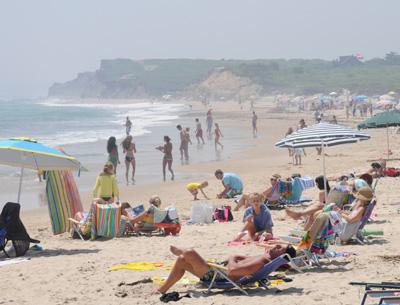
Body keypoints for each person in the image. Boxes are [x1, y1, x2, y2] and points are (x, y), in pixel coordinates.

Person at [155, 244, 297, 295]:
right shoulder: (264, 258)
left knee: (189, 253)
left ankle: (178, 249)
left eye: (279, 249)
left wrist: (231, 257)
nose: (275, 247)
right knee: (181, 261)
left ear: (282, 257)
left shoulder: (262, 262)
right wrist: (236, 256)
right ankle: (163, 289)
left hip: (220, 277)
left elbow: (233, 271)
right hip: (220, 273)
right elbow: (245, 261)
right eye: (278, 246)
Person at [299, 187, 373, 247]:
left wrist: (339, 212)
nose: (357, 199)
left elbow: (350, 220)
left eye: (359, 197)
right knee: (316, 215)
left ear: (363, 199)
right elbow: (350, 215)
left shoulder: (361, 209)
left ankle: (305, 236)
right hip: (343, 225)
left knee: (319, 216)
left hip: (344, 231)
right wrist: (340, 210)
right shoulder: (360, 207)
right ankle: (304, 234)